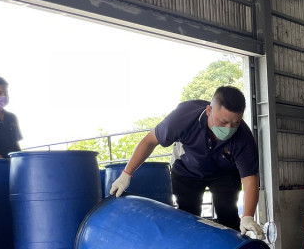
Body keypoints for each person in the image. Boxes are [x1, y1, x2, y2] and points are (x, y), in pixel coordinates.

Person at [110, 86, 263, 239]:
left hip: (224, 173)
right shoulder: (184, 117)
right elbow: (150, 141)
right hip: (186, 170)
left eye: (235, 123)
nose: (229, 128)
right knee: (187, 215)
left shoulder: (244, 138)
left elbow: (250, 179)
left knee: (228, 215)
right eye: (223, 122)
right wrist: (126, 174)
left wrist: (248, 216)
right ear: (209, 110)